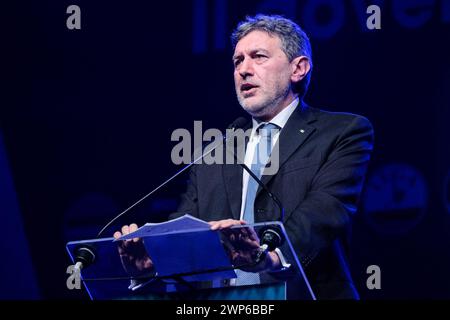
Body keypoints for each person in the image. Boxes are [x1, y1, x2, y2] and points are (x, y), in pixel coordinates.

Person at [114, 14, 374, 299]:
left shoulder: (341, 132)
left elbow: (325, 212)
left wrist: (271, 256)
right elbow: (187, 230)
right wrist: (154, 265)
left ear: (298, 68)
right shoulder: (217, 149)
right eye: (238, 61)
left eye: (258, 57)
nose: (243, 70)